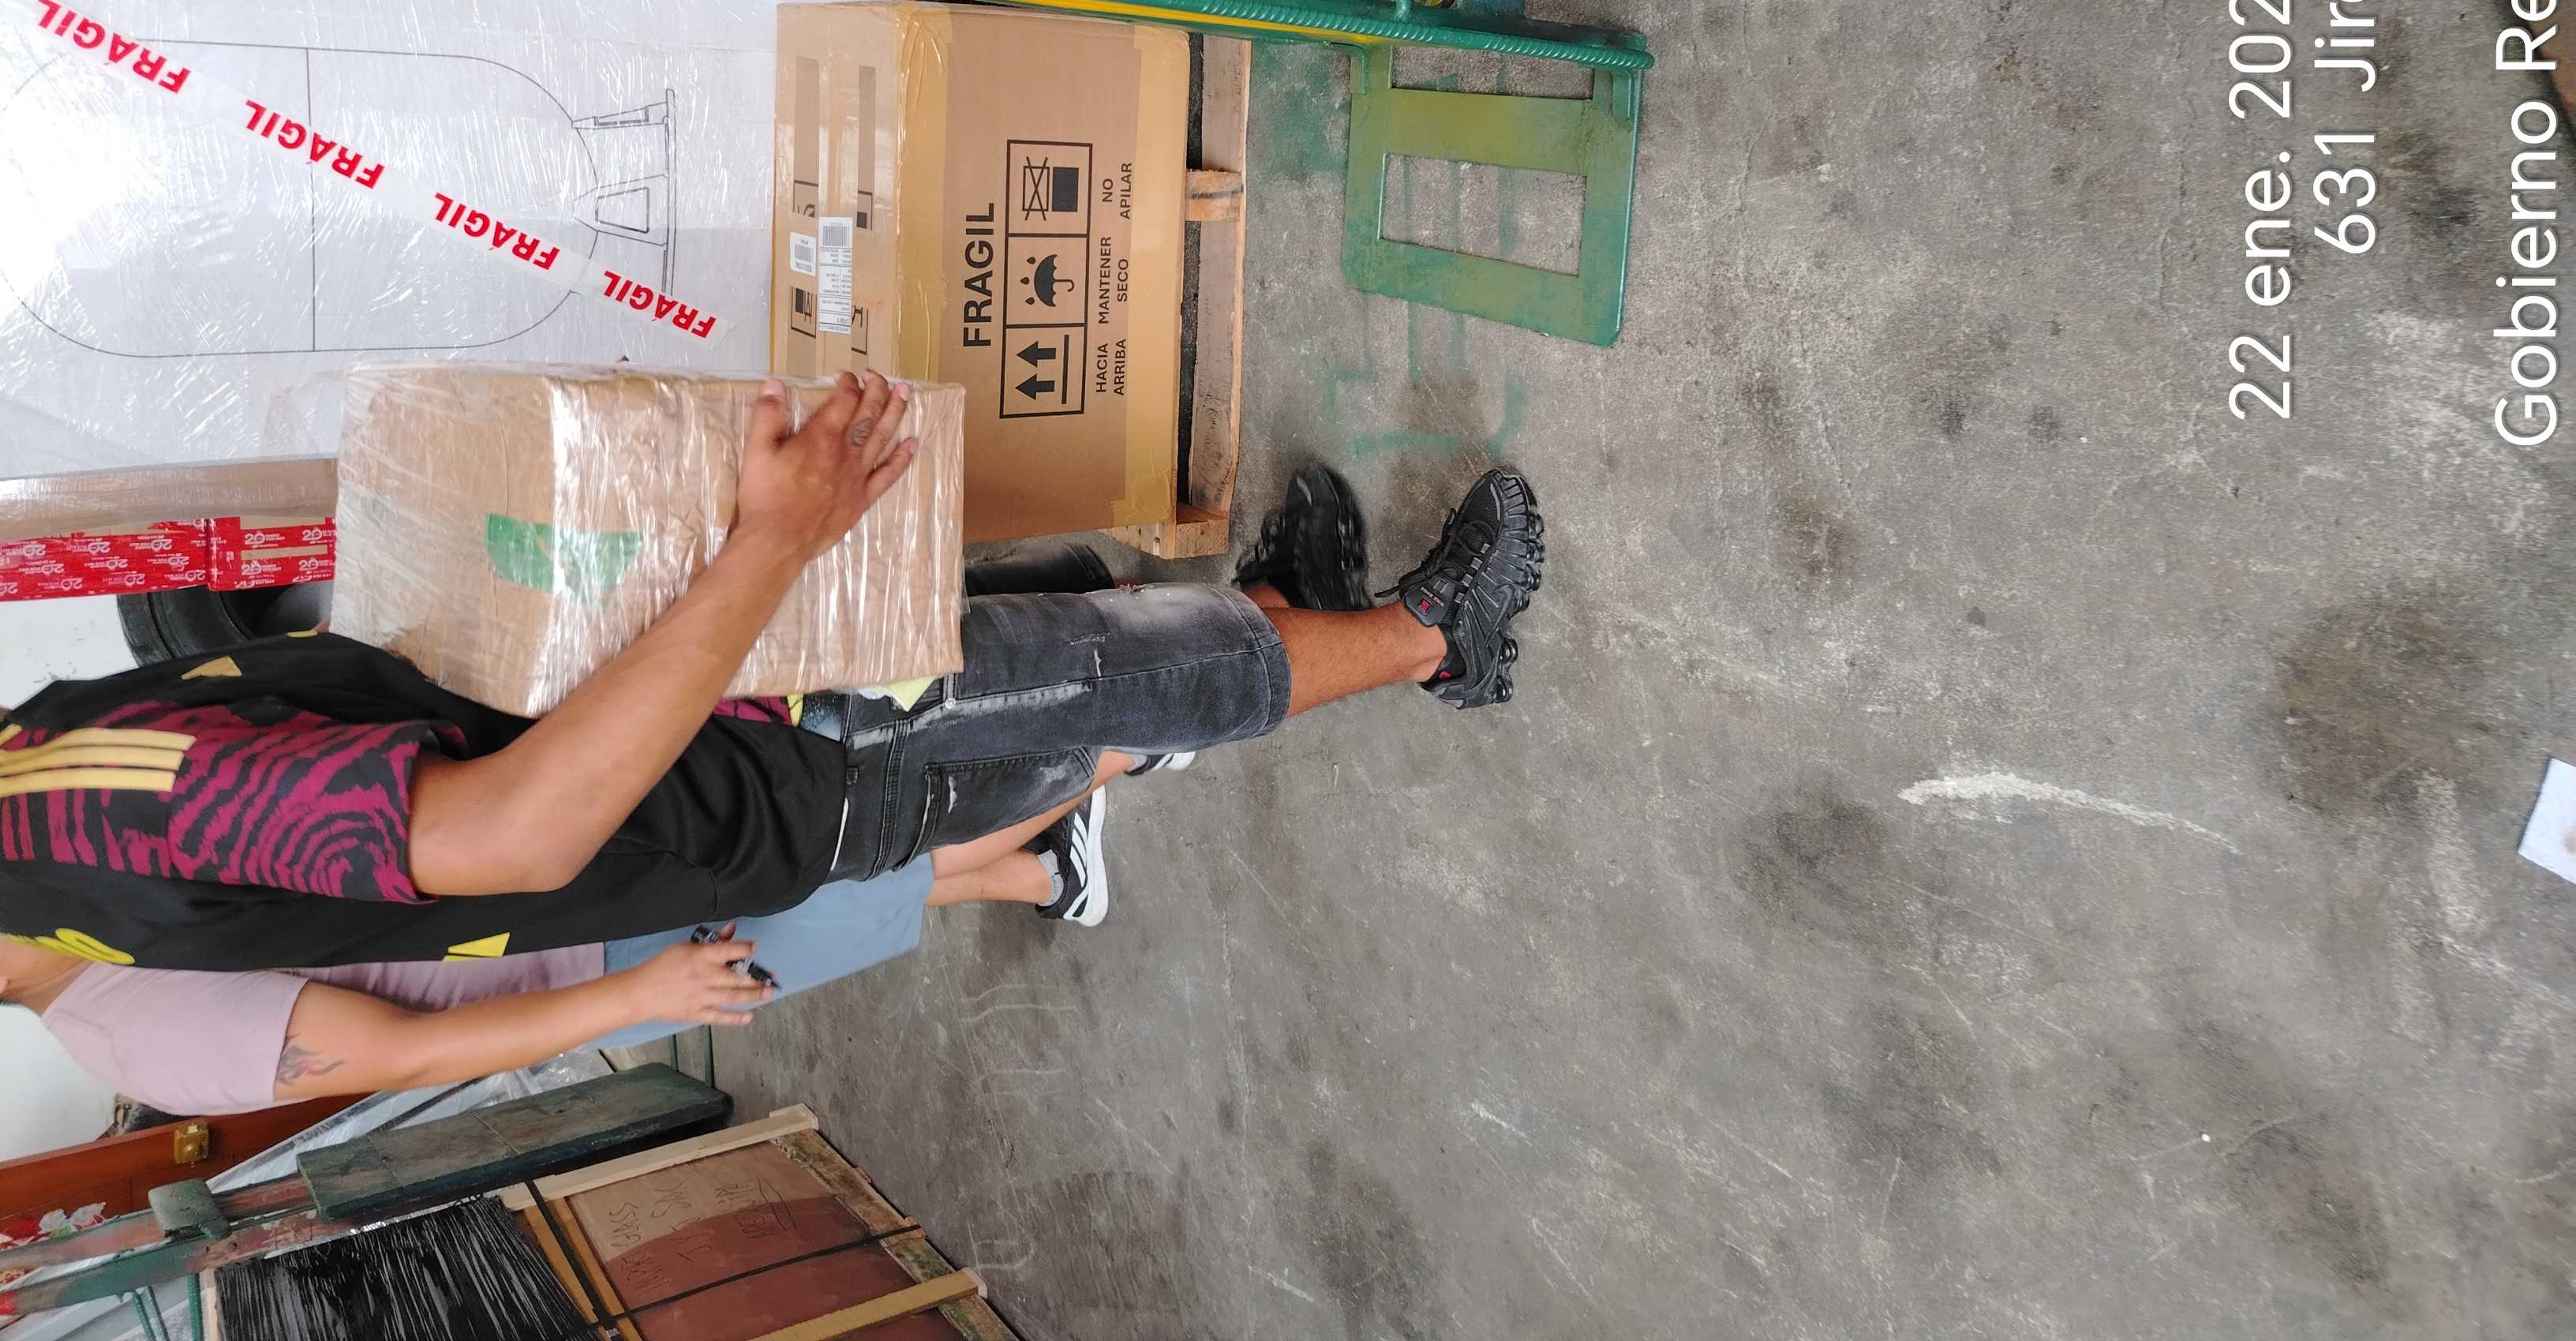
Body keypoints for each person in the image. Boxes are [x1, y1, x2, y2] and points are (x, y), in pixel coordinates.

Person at [0, 375, 1543, 973]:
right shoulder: (86, 812)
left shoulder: (34, 791)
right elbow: (508, 833)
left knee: (1059, 627)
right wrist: (770, 541)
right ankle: (1434, 640)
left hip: (720, 719)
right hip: (756, 758)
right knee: (1095, 674)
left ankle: (1287, 609)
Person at [2, 748, 1144, 1121]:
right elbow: (410, 1054)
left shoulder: (82, 903)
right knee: (872, 863)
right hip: (593, 955)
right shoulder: (135, 1035)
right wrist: (636, 999)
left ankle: (1047, 876)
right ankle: (1131, 742)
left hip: (553, 889)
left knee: (854, 882)